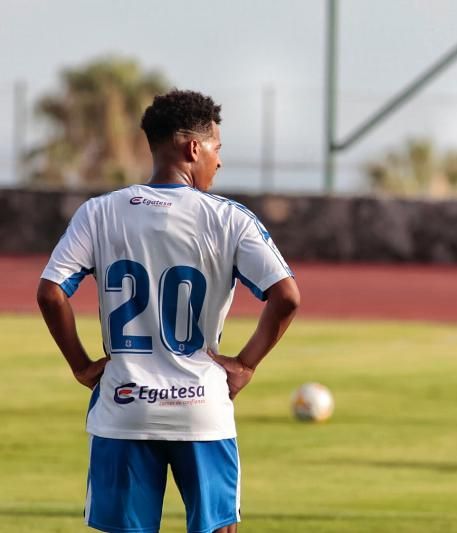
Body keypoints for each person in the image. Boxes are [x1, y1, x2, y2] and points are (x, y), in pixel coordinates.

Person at [36, 89, 300, 533]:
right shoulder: (229, 218)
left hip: (124, 406)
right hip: (202, 407)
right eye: (217, 148)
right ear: (194, 148)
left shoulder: (98, 213)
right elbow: (287, 296)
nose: (219, 161)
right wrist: (245, 365)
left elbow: (50, 293)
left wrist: (81, 366)